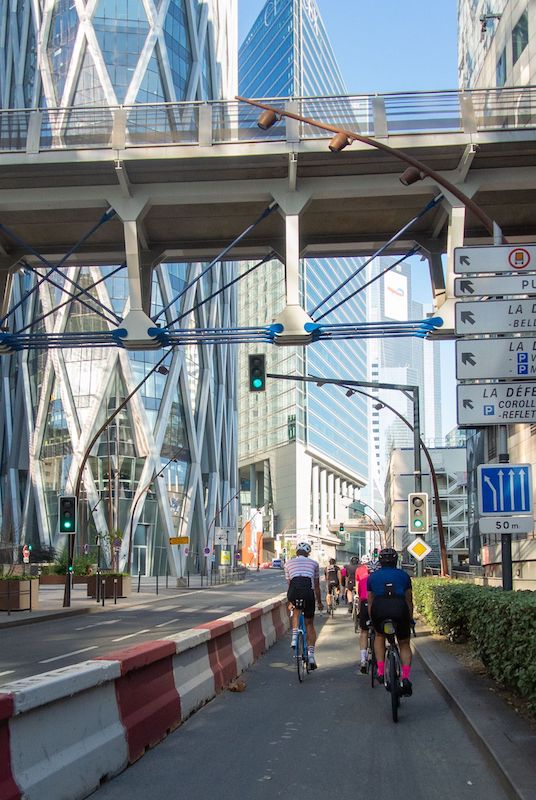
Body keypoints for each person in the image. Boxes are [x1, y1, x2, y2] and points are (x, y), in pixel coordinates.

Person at [367, 547, 414, 696]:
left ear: (380, 561)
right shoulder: (404, 576)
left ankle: (380, 671)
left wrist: (372, 619)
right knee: (404, 643)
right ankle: (405, 677)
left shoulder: (372, 577)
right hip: (399, 609)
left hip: (379, 609)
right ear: (396, 561)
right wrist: (410, 619)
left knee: (380, 636)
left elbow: (370, 600)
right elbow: (409, 600)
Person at [285, 542, 323, 669]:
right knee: (309, 624)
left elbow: (290, 584)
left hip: (294, 592)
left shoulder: (288, 563)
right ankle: (311, 655)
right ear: (308, 553)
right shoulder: (314, 564)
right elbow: (316, 586)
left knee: (296, 612)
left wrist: (290, 601)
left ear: (296, 552)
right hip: (308, 592)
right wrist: (319, 602)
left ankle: (294, 638)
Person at [354, 555, 372, 673]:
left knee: (364, 631)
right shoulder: (378, 571)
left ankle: (363, 660)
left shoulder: (359, 570)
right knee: (379, 633)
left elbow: (358, 588)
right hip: (377, 602)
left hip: (364, 601)